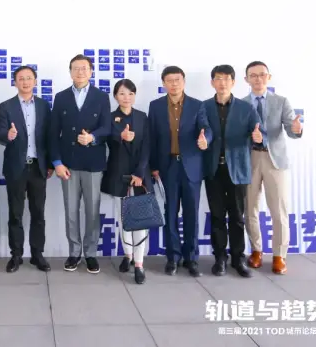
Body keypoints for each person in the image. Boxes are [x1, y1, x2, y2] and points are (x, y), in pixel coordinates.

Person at [148, 66, 211, 277]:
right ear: (163, 83)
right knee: (170, 213)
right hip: (168, 167)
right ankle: (173, 258)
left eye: (177, 80)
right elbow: (152, 138)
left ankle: (191, 258)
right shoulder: (155, 106)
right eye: (170, 80)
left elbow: (206, 128)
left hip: (191, 167)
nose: (174, 84)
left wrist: (205, 139)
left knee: (192, 214)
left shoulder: (197, 105)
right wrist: (153, 166)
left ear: (183, 82)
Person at [50, 54, 111, 274]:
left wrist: (92, 137)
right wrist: (57, 162)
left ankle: (91, 253)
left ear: (91, 71)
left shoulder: (101, 97)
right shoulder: (61, 97)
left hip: (93, 163)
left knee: (92, 211)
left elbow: (107, 127)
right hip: (68, 164)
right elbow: (52, 133)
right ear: (70, 72)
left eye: (84, 68)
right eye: (76, 68)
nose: (80, 72)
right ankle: (74, 252)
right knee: (71, 210)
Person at [202, 65, 262, 278]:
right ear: (212, 82)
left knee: (237, 216)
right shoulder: (204, 107)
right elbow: (205, 130)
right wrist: (204, 139)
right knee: (217, 216)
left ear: (234, 82)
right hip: (213, 170)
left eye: (227, 79)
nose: (222, 83)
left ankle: (238, 258)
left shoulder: (246, 108)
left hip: (237, 169)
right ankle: (220, 258)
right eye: (218, 78)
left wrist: (258, 137)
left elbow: (258, 131)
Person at [243, 61, 302, 275]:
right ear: (246, 79)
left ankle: (279, 255)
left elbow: (291, 129)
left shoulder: (281, 101)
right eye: (253, 75)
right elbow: (236, 134)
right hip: (249, 159)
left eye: (262, 74)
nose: (258, 79)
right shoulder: (240, 104)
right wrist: (250, 137)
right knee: (250, 208)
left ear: (269, 77)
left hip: (274, 160)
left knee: (279, 210)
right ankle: (256, 251)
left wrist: (296, 129)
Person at [0, 66, 52, 273]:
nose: (25, 82)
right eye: (21, 79)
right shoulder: (6, 106)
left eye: (29, 78)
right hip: (15, 168)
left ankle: (37, 255)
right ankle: (16, 255)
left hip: (38, 167)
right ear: (15, 82)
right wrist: (8, 135)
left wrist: (50, 164)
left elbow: (49, 136)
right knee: (15, 214)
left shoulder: (44, 106)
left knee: (38, 213)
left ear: (35, 81)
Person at [101, 79, 151, 284]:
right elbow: (106, 139)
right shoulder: (109, 118)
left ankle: (139, 264)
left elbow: (147, 147)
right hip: (118, 175)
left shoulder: (142, 117)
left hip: (140, 176)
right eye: (122, 93)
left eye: (130, 93)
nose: (126, 97)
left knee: (140, 221)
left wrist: (140, 173)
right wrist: (120, 137)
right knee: (124, 220)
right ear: (115, 96)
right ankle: (127, 255)